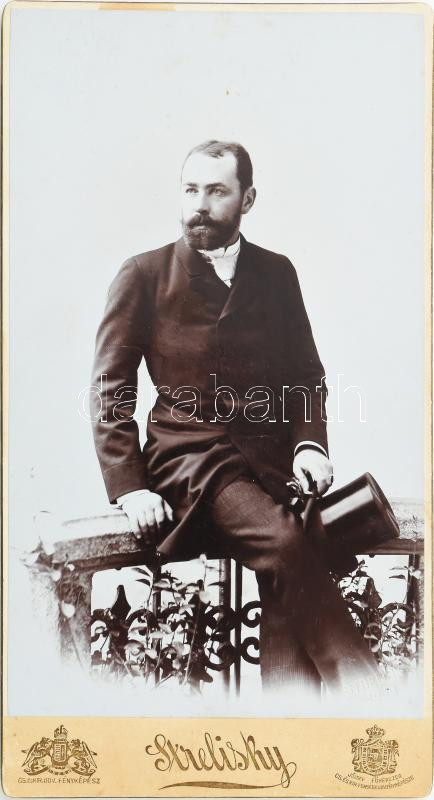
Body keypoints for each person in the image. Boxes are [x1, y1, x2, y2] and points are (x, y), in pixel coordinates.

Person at [91, 139, 380, 697]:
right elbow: (111, 389)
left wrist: (310, 446)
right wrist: (130, 488)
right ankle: (369, 698)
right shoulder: (144, 274)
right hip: (191, 457)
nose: (199, 205)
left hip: (269, 461)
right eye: (190, 190)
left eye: (217, 191)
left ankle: (292, 718)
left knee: (293, 556)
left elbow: (304, 375)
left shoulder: (276, 273)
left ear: (247, 199)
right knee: (288, 544)